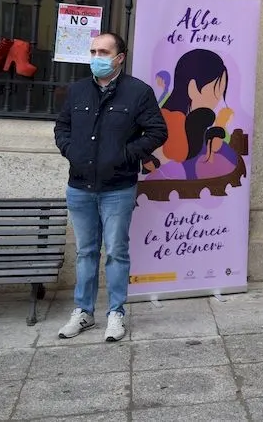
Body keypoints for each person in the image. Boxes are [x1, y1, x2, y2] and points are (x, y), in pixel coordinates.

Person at [53, 32, 167, 342]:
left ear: (119, 58)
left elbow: (157, 131)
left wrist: (126, 154)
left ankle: (116, 313)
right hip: (80, 187)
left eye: (103, 51)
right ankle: (84, 312)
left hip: (118, 187)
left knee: (116, 252)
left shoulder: (138, 92)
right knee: (86, 251)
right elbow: (62, 127)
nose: (96, 57)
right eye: (92, 51)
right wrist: (70, 150)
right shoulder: (77, 91)